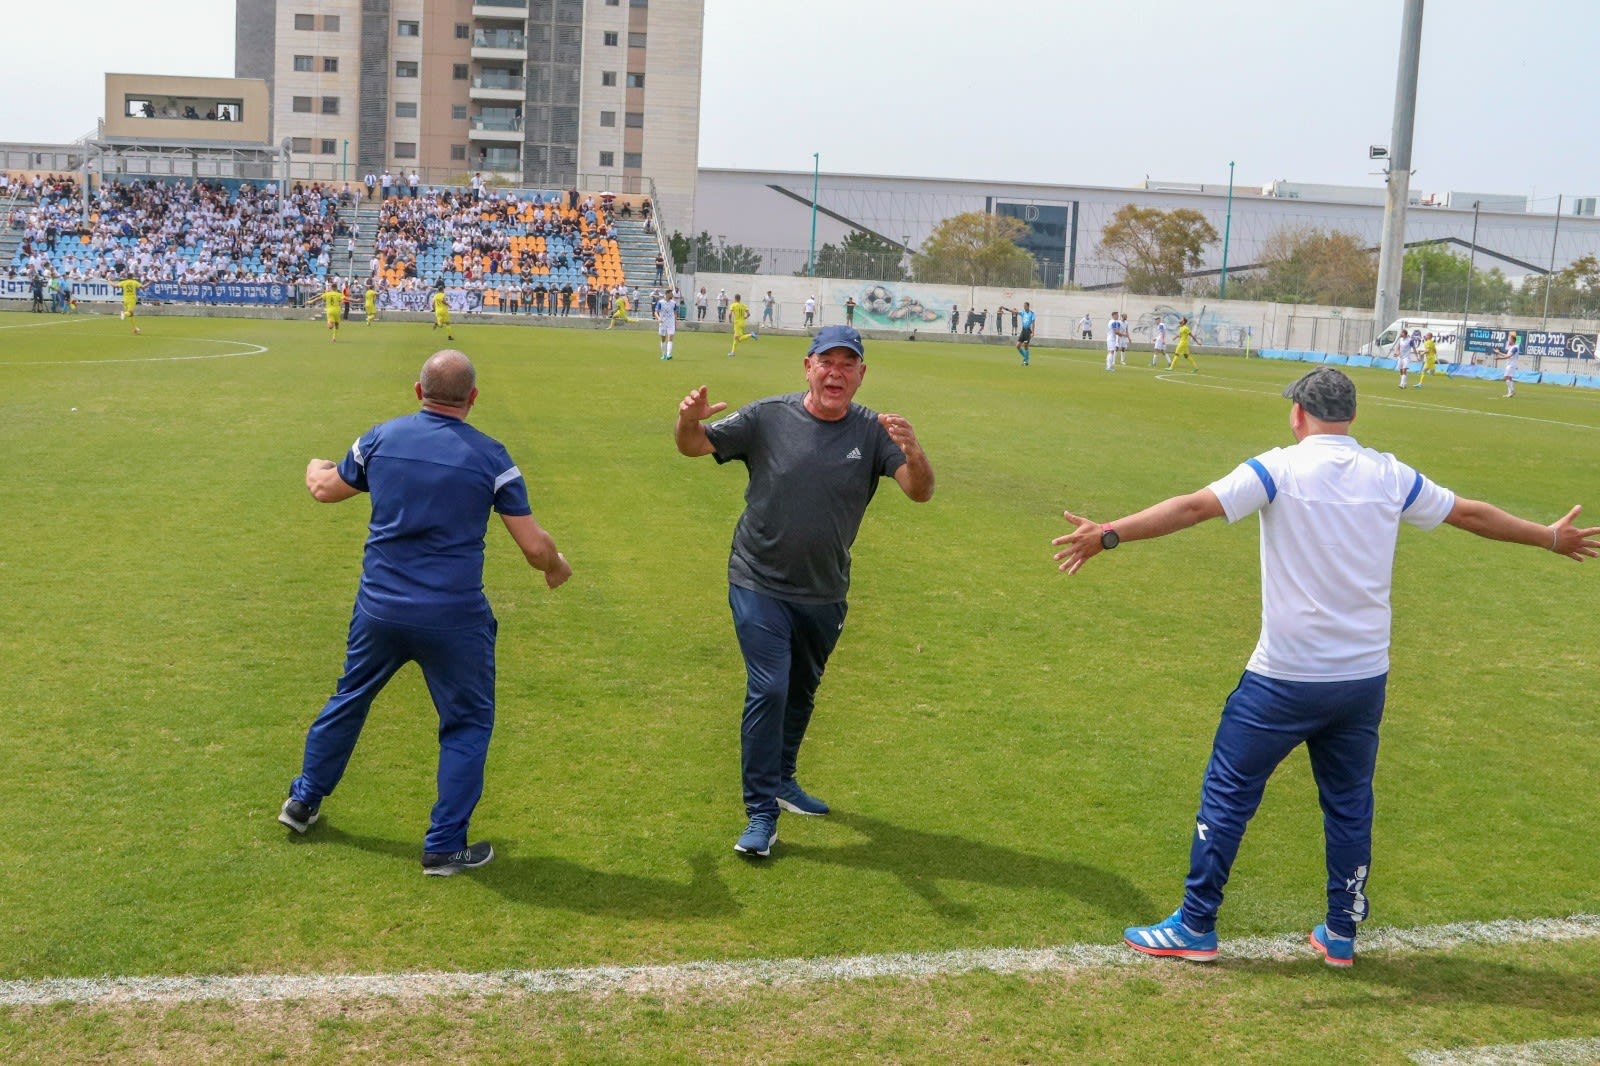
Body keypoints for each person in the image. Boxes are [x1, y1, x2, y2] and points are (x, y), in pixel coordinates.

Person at [1050, 366, 1599, 967]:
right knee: (1349, 803)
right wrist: (1549, 538)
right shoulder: (1390, 474)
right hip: (1362, 681)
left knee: (1229, 793)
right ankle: (1341, 932)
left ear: (1297, 414)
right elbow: (1470, 514)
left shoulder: (1276, 469)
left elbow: (1191, 508)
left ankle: (1196, 925)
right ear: (1352, 417)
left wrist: (1108, 534)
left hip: (1284, 677)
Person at [280, 350, 572, 876]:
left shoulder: (380, 439)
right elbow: (533, 547)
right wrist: (555, 564)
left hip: (380, 609)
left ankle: (303, 801)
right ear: (473, 399)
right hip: (454, 618)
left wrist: (315, 465)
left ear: (419, 392)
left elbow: (325, 490)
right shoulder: (492, 458)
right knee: (466, 724)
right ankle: (443, 846)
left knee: (350, 698)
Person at [674, 325, 936, 856]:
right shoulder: (767, 416)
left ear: (862, 374)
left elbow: (919, 491)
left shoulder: (873, 431)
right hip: (757, 579)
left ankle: (784, 778)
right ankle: (761, 813)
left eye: (848, 364)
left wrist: (915, 451)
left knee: (801, 689)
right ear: (807, 366)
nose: (835, 373)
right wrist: (686, 419)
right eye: (826, 362)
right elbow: (694, 446)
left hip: (824, 590)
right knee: (769, 686)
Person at [727, 292, 757, 356]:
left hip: (737, 323)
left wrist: (729, 320)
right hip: (743, 322)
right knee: (736, 338)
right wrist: (745, 318)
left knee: (738, 339)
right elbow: (749, 314)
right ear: (740, 299)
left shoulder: (733, 305)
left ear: (735, 299)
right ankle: (732, 352)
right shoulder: (743, 305)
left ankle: (751, 335)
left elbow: (730, 314)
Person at [1496, 331, 1522, 398]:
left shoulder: (1515, 347)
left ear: (1513, 340)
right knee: (1509, 378)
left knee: (1505, 378)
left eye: (1509, 339)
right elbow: (1507, 355)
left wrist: (1499, 358)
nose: (1508, 340)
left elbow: (1509, 356)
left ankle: (1513, 391)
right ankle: (1510, 393)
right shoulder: (1512, 347)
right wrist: (1499, 352)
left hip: (1512, 364)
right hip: (1509, 364)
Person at [655, 288, 678, 360]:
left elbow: (675, 313)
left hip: (671, 323)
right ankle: (663, 354)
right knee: (663, 339)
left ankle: (668, 355)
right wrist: (658, 318)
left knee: (670, 338)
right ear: (667, 294)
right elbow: (656, 312)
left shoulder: (673, 303)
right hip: (663, 322)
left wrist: (675, 321)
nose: (672, 295)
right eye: (671, 293)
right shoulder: (660, 302)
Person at [1016, 301, 1036, 367]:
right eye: (1023, 306)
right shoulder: (1022, 312)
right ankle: (1026, 358)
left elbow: (1033, 323)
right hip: (1023, 331)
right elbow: (1015, 312)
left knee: (1025, 346)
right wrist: (1006, 309)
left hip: (1028, 331)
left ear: (1028, 306)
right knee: (1018, 345)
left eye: (1025, 306)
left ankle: (1025, 361)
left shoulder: (1032, 313)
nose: (1024, 307)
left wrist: (1033, 332)